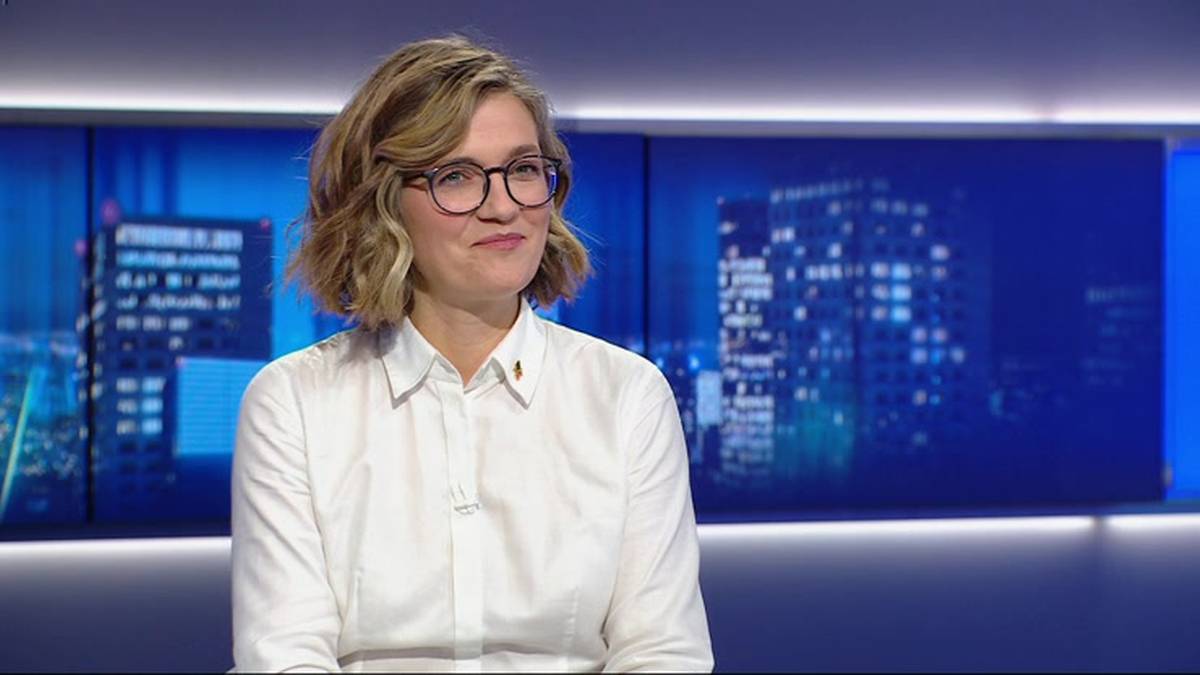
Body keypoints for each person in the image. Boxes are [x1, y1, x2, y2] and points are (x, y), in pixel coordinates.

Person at [231, 35, 713, 672]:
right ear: (383, 203)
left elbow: (662, 652)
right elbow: (285, 656)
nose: (504, 206)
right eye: (456, 176)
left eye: (523, 169)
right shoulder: (294, 402)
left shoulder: (627, 395)